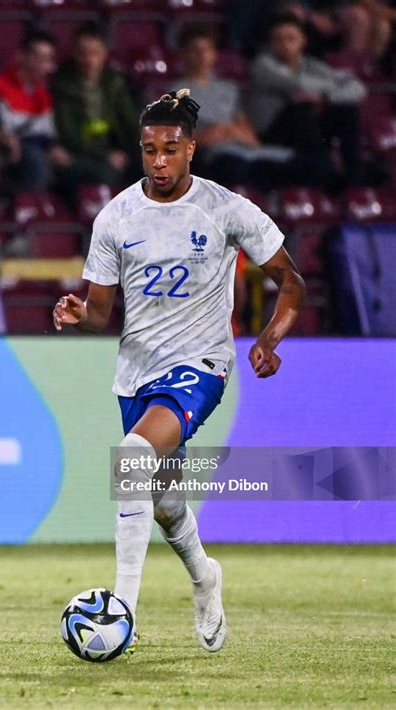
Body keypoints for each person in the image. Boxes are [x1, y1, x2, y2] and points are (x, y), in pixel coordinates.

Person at [52, 90, 306, 652]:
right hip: (137, 374)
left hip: (202, 365)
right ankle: (204, 577)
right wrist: (79, 314)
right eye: (149, 151)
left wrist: (269, 336)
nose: (159, 161)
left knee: (133, 461)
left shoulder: (225, 209)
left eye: (170, 149)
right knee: (164, 504)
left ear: (192, 148)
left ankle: (122, 617)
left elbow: (291, 280)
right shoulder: (116, 216)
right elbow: (100, 313)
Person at [172, 27, 304, 190]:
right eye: (195, 50)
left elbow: (250, 136)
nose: (201, 55)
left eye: (206, 49)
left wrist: (234, 132)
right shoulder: (175, 93)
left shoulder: (229, 89)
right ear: (184, 54)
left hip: (240, 147)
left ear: (214, 54)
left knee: (298, 163)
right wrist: (210, 135)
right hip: (213, 153)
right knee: (235, 167)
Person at [248, 13, 367, 187]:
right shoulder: (262, 64)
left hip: (306, 131)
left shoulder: (311, 64)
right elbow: (296, 84)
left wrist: (325, 97)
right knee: (301, 107)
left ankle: (353, 180)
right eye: (278, 39)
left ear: (303, 40)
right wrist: (331, 87)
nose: (285, 45)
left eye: (291, 38)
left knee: (347, 110)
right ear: (270, 43)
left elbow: (358, 88)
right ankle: (323, 172)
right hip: (271, 133)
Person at [52, 23, 139, 196]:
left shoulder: (115, 83)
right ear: (74, 54)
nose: (89, 60)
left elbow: (131, 124)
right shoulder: (62, 85)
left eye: (95, 53)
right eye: (83, 53)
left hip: (113, 150)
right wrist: (105, 155)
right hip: (79, 153)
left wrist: (133, 151)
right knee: (104, 173)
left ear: (104, 54)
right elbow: (68, 135)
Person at [0, 31, 70, 193]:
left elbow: (48, 131)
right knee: (37, 161)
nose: (45, 65)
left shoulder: (44, 91)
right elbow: (4, 128)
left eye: (48, 59)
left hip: (39, 144)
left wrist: (53, 147)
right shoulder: (1, 85)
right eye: (39, 58)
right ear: (22, 56)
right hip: (12, 145)